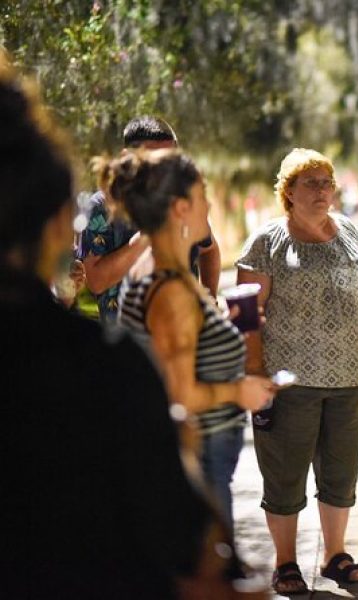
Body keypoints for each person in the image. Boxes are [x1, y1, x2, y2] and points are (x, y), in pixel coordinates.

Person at [0, 53, 216, 599]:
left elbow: (208, 250)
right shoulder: (97, 365)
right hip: (132, 342)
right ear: (52, 225)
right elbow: (96, 280)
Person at [236, 148, 358, 595]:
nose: (321, 190)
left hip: (349, 378)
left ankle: (336, 555)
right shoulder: (268, 242)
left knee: (340, 472)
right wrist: (254, 370)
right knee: (285, 473)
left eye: (326, 182)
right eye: (310, 183)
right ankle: (286, 563)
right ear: (289, 192)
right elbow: (243, 311)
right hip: (289, 382)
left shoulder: (351, 231)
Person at [113, 149, 275, 530]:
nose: (211, 203)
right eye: (203, 194)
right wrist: (241, 393)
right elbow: (179, 394)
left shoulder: (160, 269)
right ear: (181, 208)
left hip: (201, 457)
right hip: (197, 460)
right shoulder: (170, 289)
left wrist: (221, 325)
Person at [80, 115, 220, 323]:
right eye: (156, 161)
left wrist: (210, 301)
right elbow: (96, 281)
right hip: (129, 346)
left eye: (171, 160)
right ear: (127, 157)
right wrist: (147, 237)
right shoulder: (100, 208)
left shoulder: (181, 201)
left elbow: (208, 250)